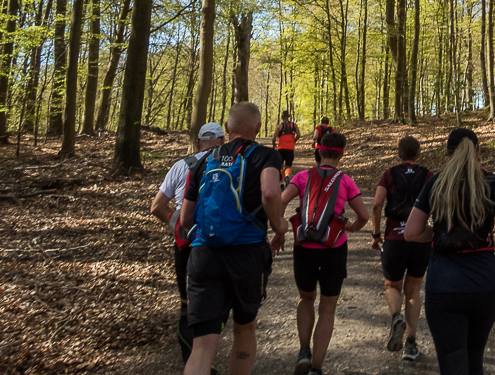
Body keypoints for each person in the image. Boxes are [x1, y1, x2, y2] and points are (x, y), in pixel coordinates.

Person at [179, 102, 289, 375]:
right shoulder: (266, 156)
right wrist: (279, 226)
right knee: (244, 328)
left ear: (227, 128)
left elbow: (184, 219)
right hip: (247, 255)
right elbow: (271, 193)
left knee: (203, 345)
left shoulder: (204, 159)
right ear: (259, 128)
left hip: (205, 254)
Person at [404, 128, 495, 375]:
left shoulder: (436, 183)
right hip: (485, 284)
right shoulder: (492, 181)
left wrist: (438, 235)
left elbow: (411, 232)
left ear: (447, 153)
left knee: (453, 364)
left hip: (444, 286)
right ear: (478, 152)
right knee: (474, 360)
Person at [272, 131, 369, 375]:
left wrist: (280, 231)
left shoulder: (303, 176)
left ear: (319, 151)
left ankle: (303, 350)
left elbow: (281, 201)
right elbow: (364, 216)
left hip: (304, 247)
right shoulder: (345, 180)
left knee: (306, 299)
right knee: (327, 307)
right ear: (341, 154)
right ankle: (316, 366)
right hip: (334, 248)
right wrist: (350, 228)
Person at [150, 122, 226, 368]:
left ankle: (191, 364)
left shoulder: (181, 166)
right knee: (218, 305)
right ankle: (207, 361)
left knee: (188, 306)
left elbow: (157, 207)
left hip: (186, 244)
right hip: (220, 244)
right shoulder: (232, 164)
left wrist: (178, 225)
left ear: (197, 143)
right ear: (223, 141)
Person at [371, 135, 431, 360]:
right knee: (414, 289)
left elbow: (377, 204)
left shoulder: (389, 174)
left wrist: (376, 235)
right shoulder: (427, 175)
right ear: (418, 154)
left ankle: (396, 316)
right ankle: (411, 344)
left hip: (394, 236)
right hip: (420, 238)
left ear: (399, 154)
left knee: (392, 285)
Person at [272, 109, 301, 184]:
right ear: (288, 117)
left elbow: (273, 138)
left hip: (281, 148)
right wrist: (293, 140)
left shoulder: (279, 126)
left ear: (282, 117)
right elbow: (299, 135)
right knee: (288, 165)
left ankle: (281, 181)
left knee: (280, 165)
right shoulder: (293, 125)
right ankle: (287, 175)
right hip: (290, 148)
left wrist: (274, 144)